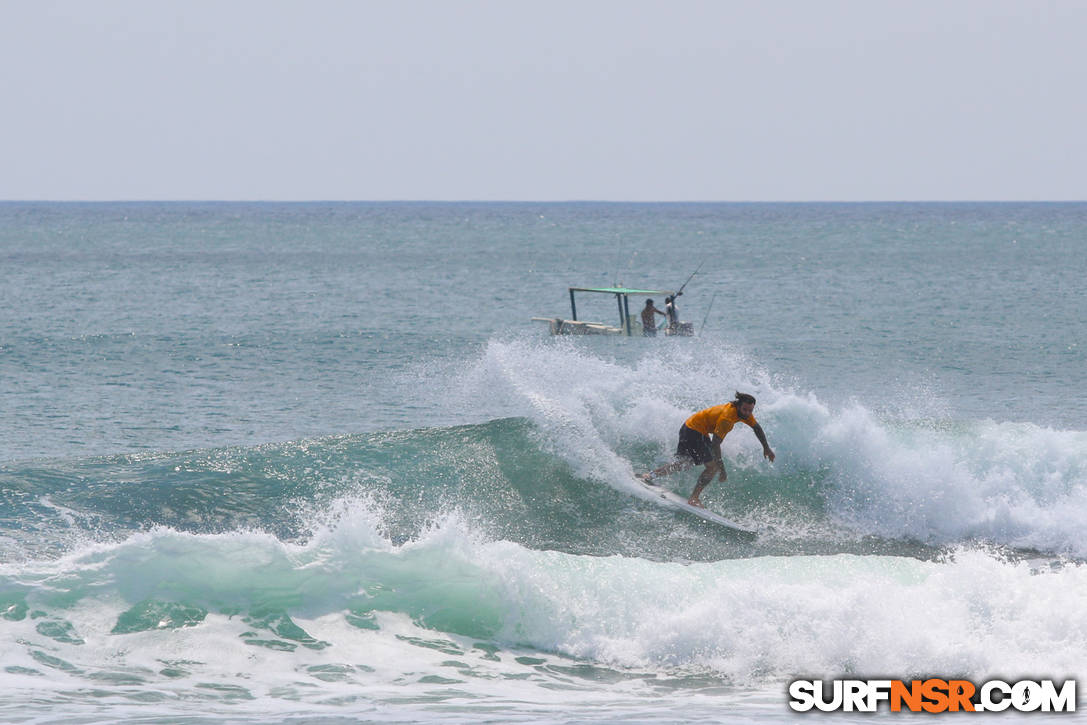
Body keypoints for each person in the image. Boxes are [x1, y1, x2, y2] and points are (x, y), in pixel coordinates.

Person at [639, 392, 775, 507]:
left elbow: (757, 428)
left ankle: (650, 475)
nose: (747, 413)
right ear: (738, 406)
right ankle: (694, 498)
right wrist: (722, 469)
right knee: (712, 467)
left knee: (685, 464)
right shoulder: (727, 418)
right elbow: (715, 444)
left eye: (750, 410)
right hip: (693, 431)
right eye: (745, 409)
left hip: (691, 427)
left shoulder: (744, 414)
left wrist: (766, 448)